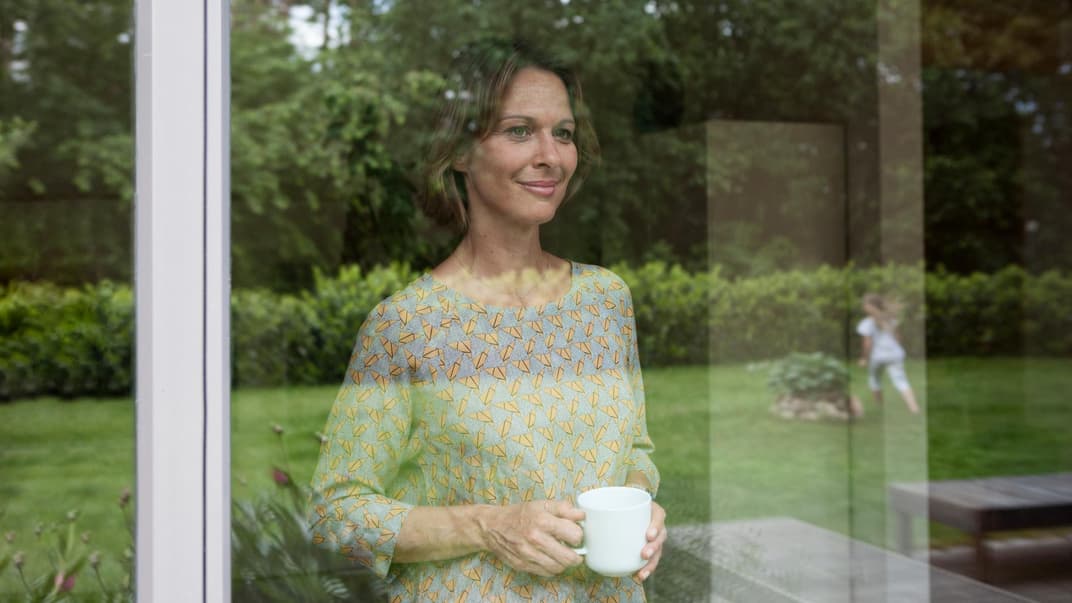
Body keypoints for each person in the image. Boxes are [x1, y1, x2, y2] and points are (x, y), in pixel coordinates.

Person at [308, 40, 666, 602]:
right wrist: (486, 525)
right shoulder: (407, 325)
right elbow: (337, 514)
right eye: (519, 130)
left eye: (563, 133)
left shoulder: (606, 300)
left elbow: (634, 454)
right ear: (459, 152)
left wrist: (642, 506)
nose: (551, 155)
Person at [856, 292, 920, 414]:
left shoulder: (866, 323)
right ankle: (914, 408)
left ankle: (880, 407)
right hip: (895, 354)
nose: (863, 306)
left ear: (869, 306)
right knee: (901, 380)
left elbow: (867, 343)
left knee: (874, 378)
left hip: (878, 356)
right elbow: (898, 338)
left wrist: (864, 358)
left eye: (864, 304)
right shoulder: (892, 319)